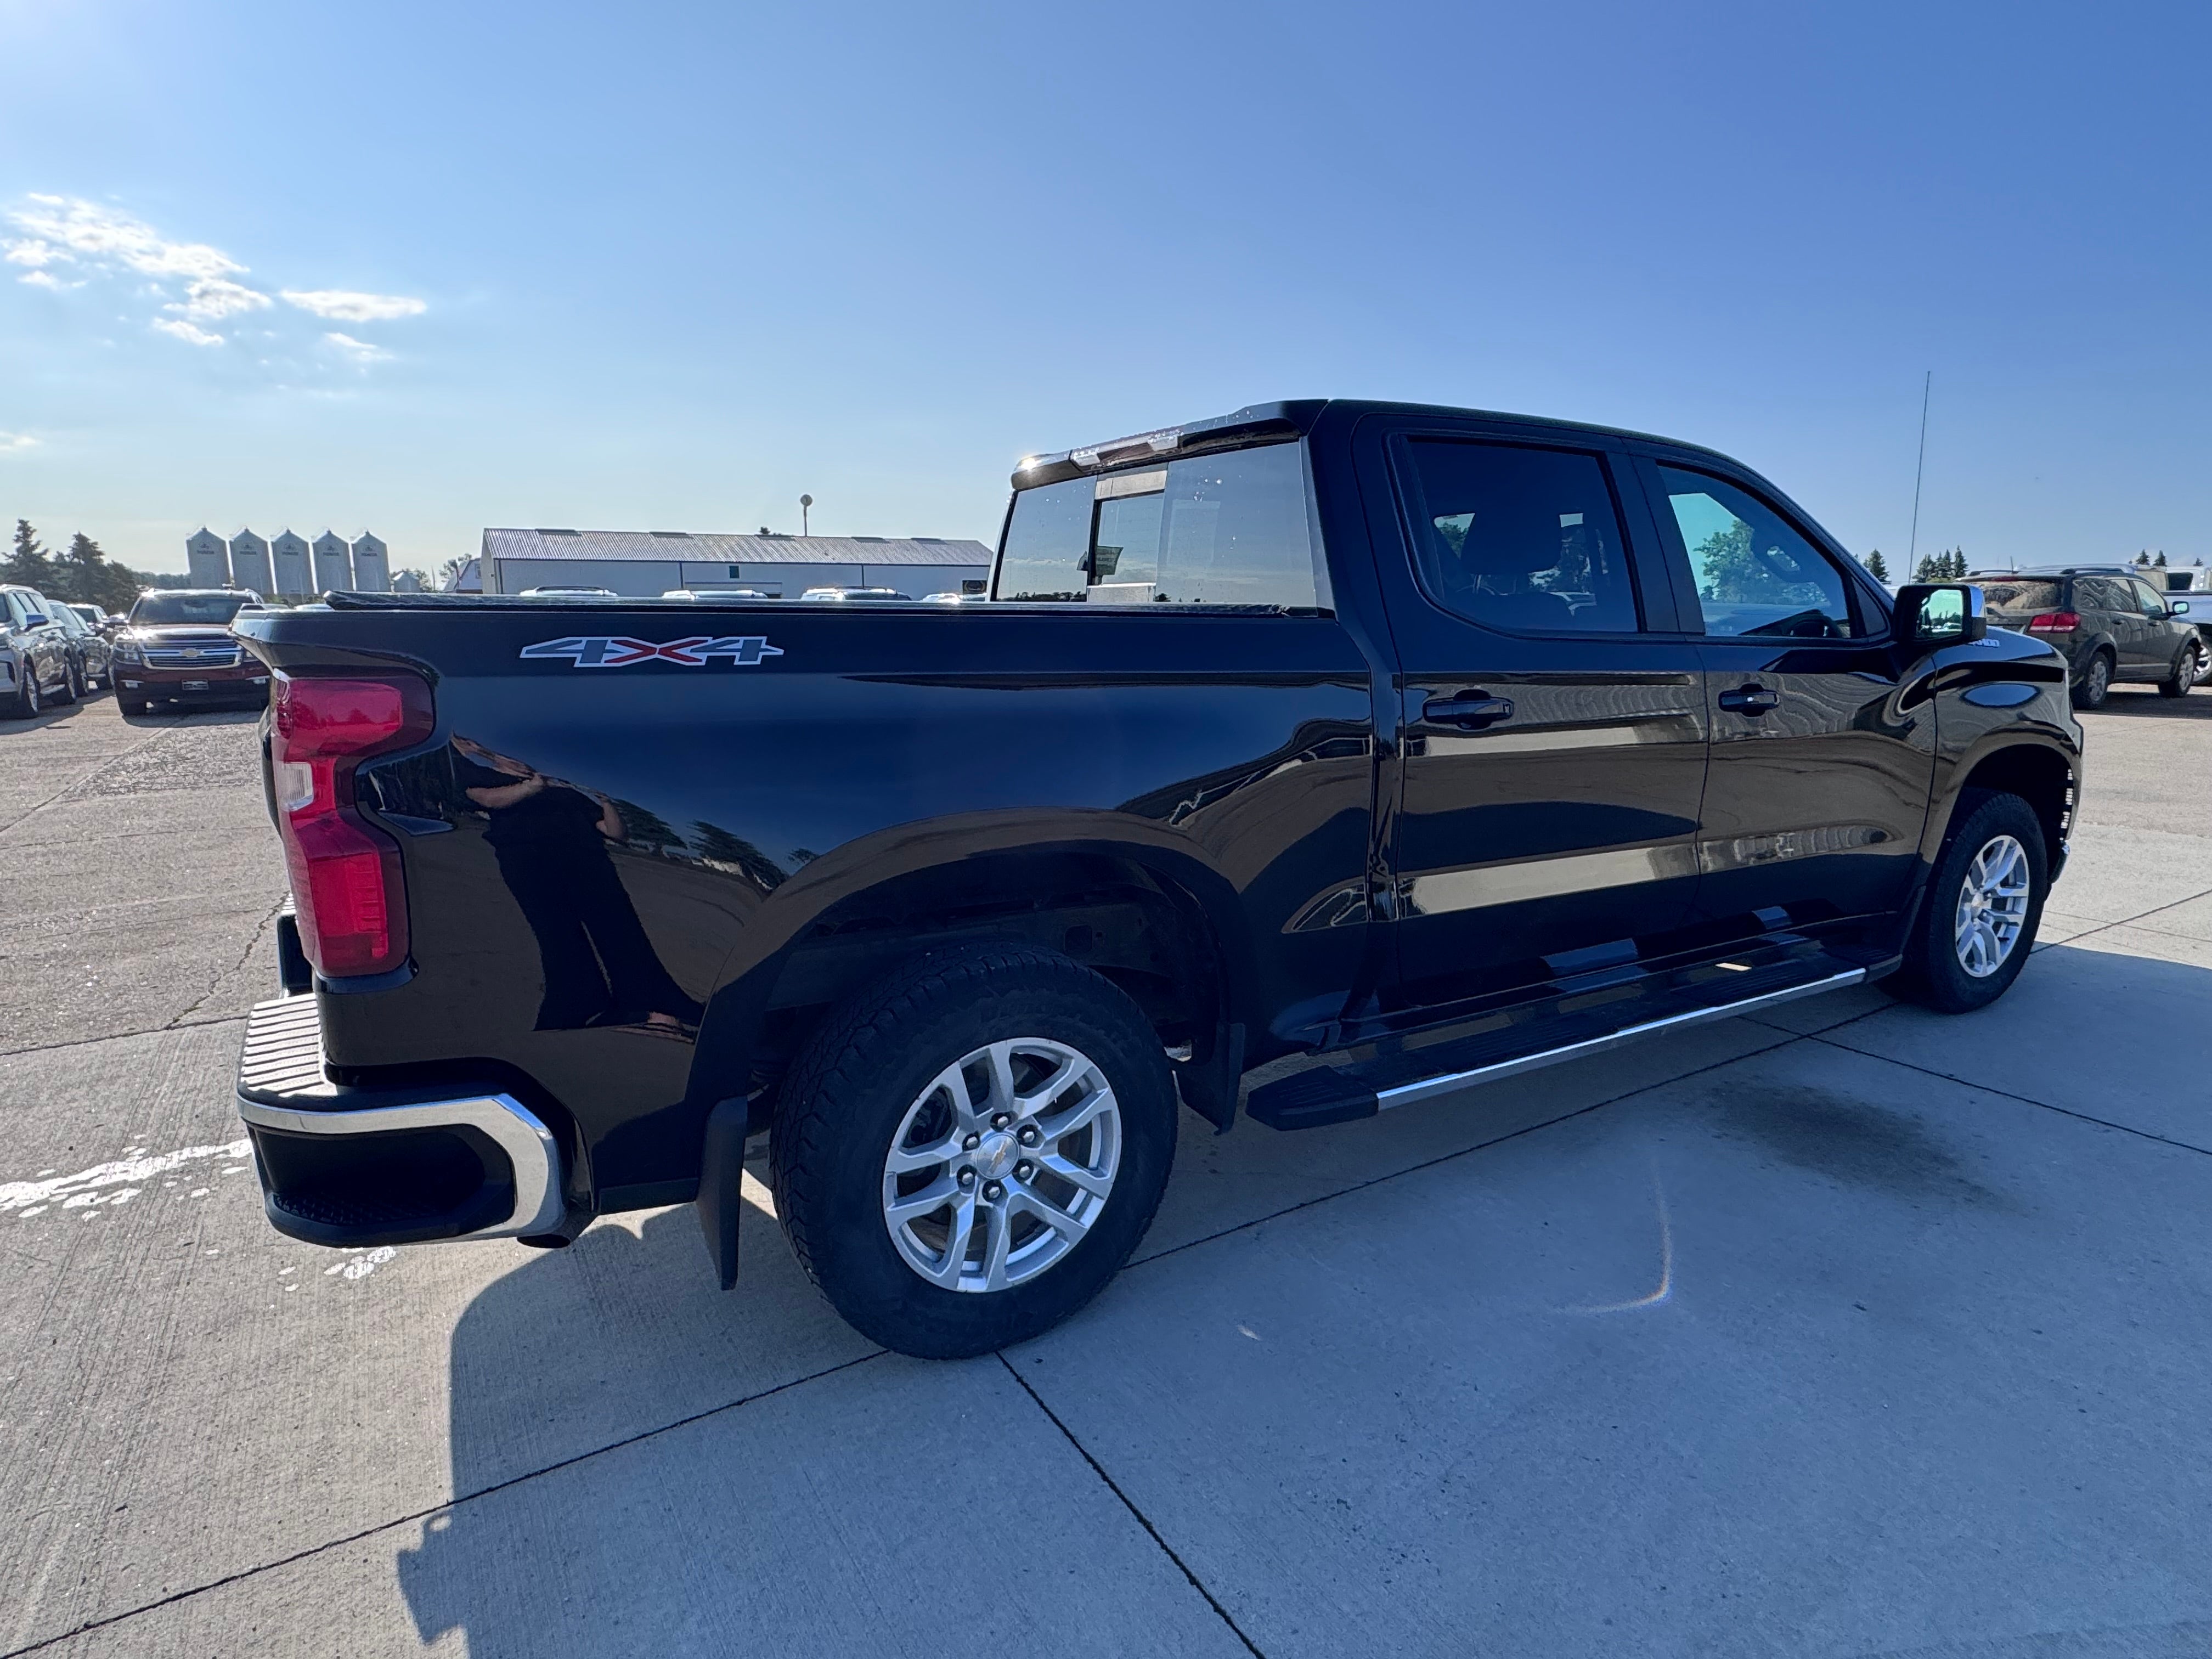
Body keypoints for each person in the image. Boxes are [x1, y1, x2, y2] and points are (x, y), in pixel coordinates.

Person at [449, 735, 702, 1034]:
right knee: (558, 933)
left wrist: (607, 801)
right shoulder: (479, 774)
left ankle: (647, 997)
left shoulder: (566, 789)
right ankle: (578, 1003)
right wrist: (533, 787)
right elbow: (487, 799)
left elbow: (615, 833)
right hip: (530, 864)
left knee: (621, 928)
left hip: (589, 863)